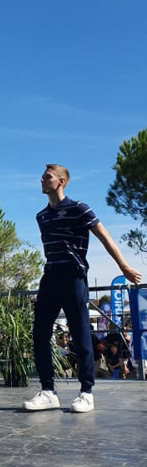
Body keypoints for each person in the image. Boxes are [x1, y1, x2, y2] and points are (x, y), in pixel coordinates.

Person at [23, 164, 141, 413]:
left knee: (81, 335)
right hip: (50, 277)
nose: (42, 180)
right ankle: (48, 391)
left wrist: (124, 267)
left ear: (62, 181)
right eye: (42, 177)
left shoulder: (79, 209)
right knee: (40, 334)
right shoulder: (41, 216)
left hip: (74, 277)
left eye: (47, 177)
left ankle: (86, 392)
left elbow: (105, 237)